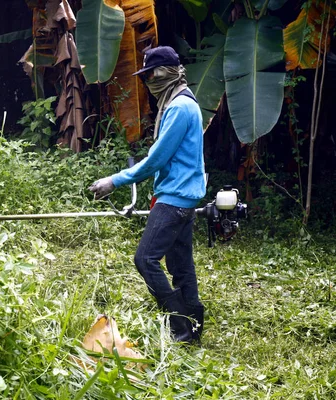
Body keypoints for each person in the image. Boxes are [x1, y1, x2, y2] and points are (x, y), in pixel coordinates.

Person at [88, 46, 206, 343]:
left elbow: (156, 160)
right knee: (180, 266)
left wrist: (114, 181)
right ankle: (193, 326)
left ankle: (180, 326)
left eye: (150, 74)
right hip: (183, 196)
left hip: (175, 199)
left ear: (165, 73)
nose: (147, 80)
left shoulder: (179, 107)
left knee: (145, 259)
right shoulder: (183, 102)